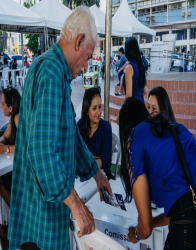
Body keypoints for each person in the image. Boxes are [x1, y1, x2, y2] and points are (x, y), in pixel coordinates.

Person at [8, 6, 112, 250]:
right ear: (78, 41)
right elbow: (42, 151)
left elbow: (71, 137)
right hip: (41, 217)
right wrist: (76, 204)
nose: (87, 67)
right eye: (88, 56)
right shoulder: (52, 73)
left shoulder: (56, 72)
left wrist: (95, 173)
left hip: (43, 211)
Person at [119, 97, 196, 249]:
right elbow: (181, 208)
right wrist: (151, 223)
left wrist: (135, 234)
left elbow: (145, 229)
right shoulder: (172, 126)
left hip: (194, 217)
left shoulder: (134, 139)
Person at [77, 88, 114, 180]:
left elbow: (106, 159)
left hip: (102, 174)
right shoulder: (80, 126)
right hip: (82, 175)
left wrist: (88, 167)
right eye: (94, 108)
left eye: (100, 107)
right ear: (86, 110)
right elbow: (76, 153)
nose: (99, 111)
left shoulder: (105, 127)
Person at [0, 87, 21, 208]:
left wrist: (5, 149)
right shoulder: (14, 117)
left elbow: (24, 147)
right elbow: (5, 137)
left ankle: (14, 215)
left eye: (2, 103)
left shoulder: (18, 118)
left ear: (10, 108)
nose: (0, 106)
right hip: (14, 164)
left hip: (22, 169)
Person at [123, 37, 146, 104]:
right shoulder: (140, 65)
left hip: (133, 108)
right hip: (142, 105)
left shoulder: (129, 68)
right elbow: (145, 91)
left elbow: (129, 96)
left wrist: (120, 113)